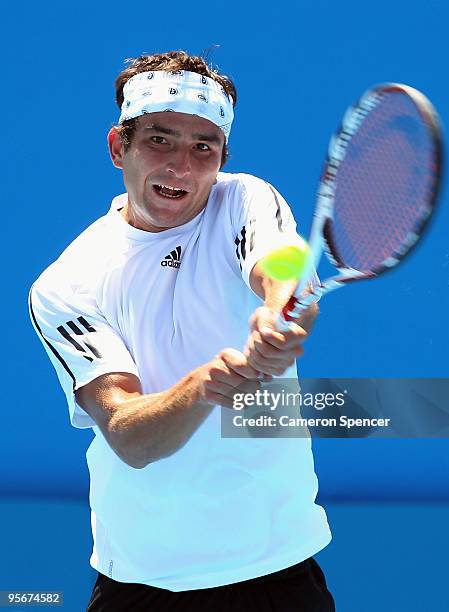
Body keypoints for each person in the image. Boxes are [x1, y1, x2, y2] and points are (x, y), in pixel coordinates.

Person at [28, 51, 335, 611]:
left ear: (222, 159)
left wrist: (279, 309)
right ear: (119, 147)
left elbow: (281, 268)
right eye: (159, 140)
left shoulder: (243, 199)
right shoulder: (66, 284)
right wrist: (207, 384)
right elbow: (128, 433)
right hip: (138, 586)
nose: (181, 167)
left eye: (203, 148)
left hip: (278, 575)